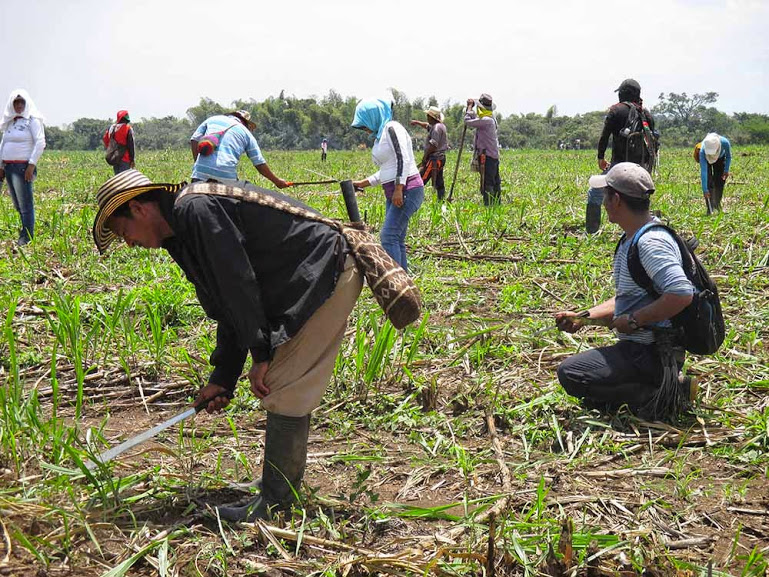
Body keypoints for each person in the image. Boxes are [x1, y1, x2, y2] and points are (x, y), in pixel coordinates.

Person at [91, 170, 363, 521]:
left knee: (284, 383)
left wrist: (262, 355)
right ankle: (277, 487)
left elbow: (239, 283)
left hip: (326, 268)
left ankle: (276, 504)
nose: (129, 243)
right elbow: (226, 303)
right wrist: (223, 375)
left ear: (139, 209)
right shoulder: (180, 233)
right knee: (283, 382)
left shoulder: (196, 212)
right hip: (301, 277)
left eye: (124, 232)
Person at [555, 163, 696, 419]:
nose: (603, 202)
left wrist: (634, 320)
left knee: (571, 374)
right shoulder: (634, 237)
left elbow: (681, 293)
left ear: (616, 199)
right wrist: (584, 317)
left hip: (651, 353)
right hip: (642, 352)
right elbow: (629, 298)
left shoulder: (650, 243)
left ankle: (662, 394)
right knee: (582, 380)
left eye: (606, 195)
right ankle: (660, 388)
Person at [351, 99, 424, 272]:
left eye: (364, 125)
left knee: (388, 236)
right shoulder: (380, 136)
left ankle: (396, 283)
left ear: (373, 116)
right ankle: (404, 282)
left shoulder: (392, 128)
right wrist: (363, 183)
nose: (365, 129)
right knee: (396, 238)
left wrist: (399, 188)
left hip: (407, 190)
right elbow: (386, 171)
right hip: (394, 192)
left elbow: (403, 158)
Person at [585, 79, 656, 233]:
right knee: (635, 200)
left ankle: (591, 232)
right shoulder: (646, 115)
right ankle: (642, 228)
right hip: (640, 170)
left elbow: (604, 136)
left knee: (594, 193)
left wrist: (601, 157)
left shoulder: (616, 111)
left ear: (622, 94)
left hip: (619, 166)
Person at [190, 110, 288, 188]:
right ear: (246, 123)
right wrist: (277, 181)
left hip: (199, 174)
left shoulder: (212, 119)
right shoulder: (246, 133)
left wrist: (197, 164)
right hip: (226, 178)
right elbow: (259, 163)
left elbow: (194, 140)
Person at [0, 89, 46, 245]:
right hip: (8, 167)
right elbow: (3, 144)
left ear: (26, 104)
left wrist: (31, 165)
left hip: (22, 168)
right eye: (16, 102)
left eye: (21, 102)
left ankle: (27, 237)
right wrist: (1, 165)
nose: (19, 105)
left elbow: (40, 142)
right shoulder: (11, 122)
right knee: (17, 203)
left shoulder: (31, 121)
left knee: (25, 203)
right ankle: (24, 231)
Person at [464, 94, 501, 205]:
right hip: (492, 155)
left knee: (488, 182)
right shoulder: (489, 118)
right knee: (494, 181)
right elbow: (475, 118)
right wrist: (470, 110)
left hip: (488, 156)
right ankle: (496, 205)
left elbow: (467, 121)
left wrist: (469, 108)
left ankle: (489, 205)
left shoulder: (486, 120)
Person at [410, 105, 448, 201]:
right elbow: (426, 125)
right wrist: (417, 123)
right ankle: (441, 200)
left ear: (432, 117)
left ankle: (413, 200)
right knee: (439, 181)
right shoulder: (438, 126)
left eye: (428, 116)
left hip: (435, 158)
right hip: (440, 157)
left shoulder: (436, 129)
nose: (427, 118)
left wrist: (425, 157)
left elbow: (433, 145)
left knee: (421, 179)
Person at [698, 132, 732, 214]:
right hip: (707, 160)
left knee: (719, 181)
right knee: (709, 181)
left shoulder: (724, 142)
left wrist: (726, 170)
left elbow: (728, 156)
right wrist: (705, 190)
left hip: (720, 159)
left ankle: (717, 204)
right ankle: (710, 208)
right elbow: (704, 172)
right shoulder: (702, 151)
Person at [102, 110, 136, 174]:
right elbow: (131, 145)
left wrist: (112, 149)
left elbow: (105, 140)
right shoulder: (128, 128)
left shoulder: (111, 128)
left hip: (115, 158)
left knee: (118, 179)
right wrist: (132, 160)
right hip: (125, 159)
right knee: (125, 180)